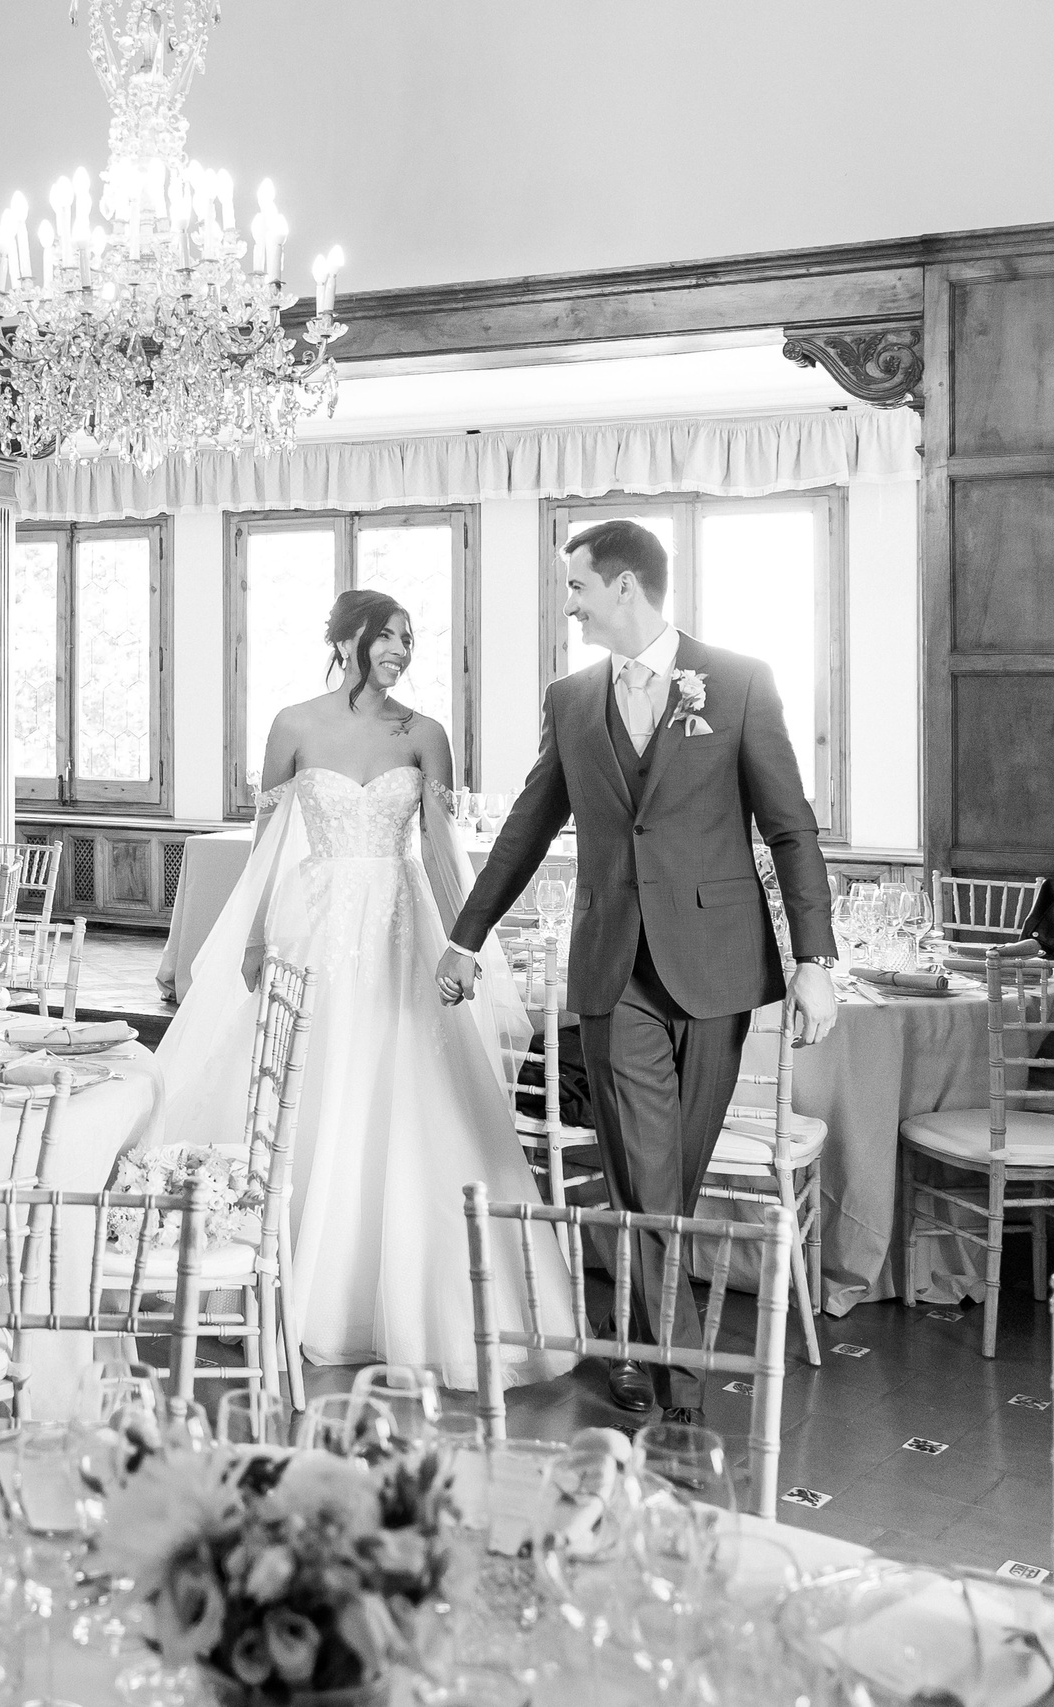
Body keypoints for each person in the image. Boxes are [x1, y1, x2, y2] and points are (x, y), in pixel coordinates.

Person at [437, 519, 838, 1427]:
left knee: (665, 1178)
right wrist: (466, 937)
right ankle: (680, 1387)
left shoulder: (736, 680)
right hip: (616, 972)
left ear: (623, 587)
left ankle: (628, 1336)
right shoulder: (571, 698)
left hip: (718, 968)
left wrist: (816, 960)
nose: (569, 605)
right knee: (651, 1175)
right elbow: (527, 828)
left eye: (576, 586)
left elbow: (791, 826)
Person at [152, 589, 576, 1393]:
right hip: (313, 922)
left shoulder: (425, 735)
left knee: (404, 1088)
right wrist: (249, 935)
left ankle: (406, 1305)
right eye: (389, 637)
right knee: (305, 1090)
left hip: (400, 925)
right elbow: (266, 844)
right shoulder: (293, 725)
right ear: (348, 638)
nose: (402, 652)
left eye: (410, 641)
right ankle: (279, 1279)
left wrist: (464, 940)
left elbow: (445, 850)